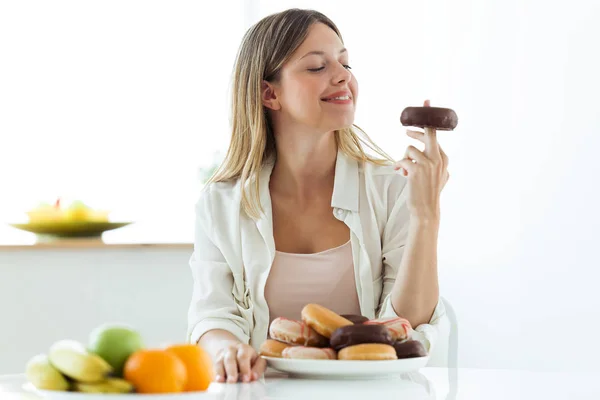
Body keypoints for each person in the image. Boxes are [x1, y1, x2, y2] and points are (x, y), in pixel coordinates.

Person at [187, 8, 450, 384]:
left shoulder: (391, 188)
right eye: (316, 67)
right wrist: (225, 348)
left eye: (345, 62)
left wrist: (427, 214)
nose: (343, 76)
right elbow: (212, 315)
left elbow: (406, 326)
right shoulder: (221, 203)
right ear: (269, 93)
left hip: (374, 392)